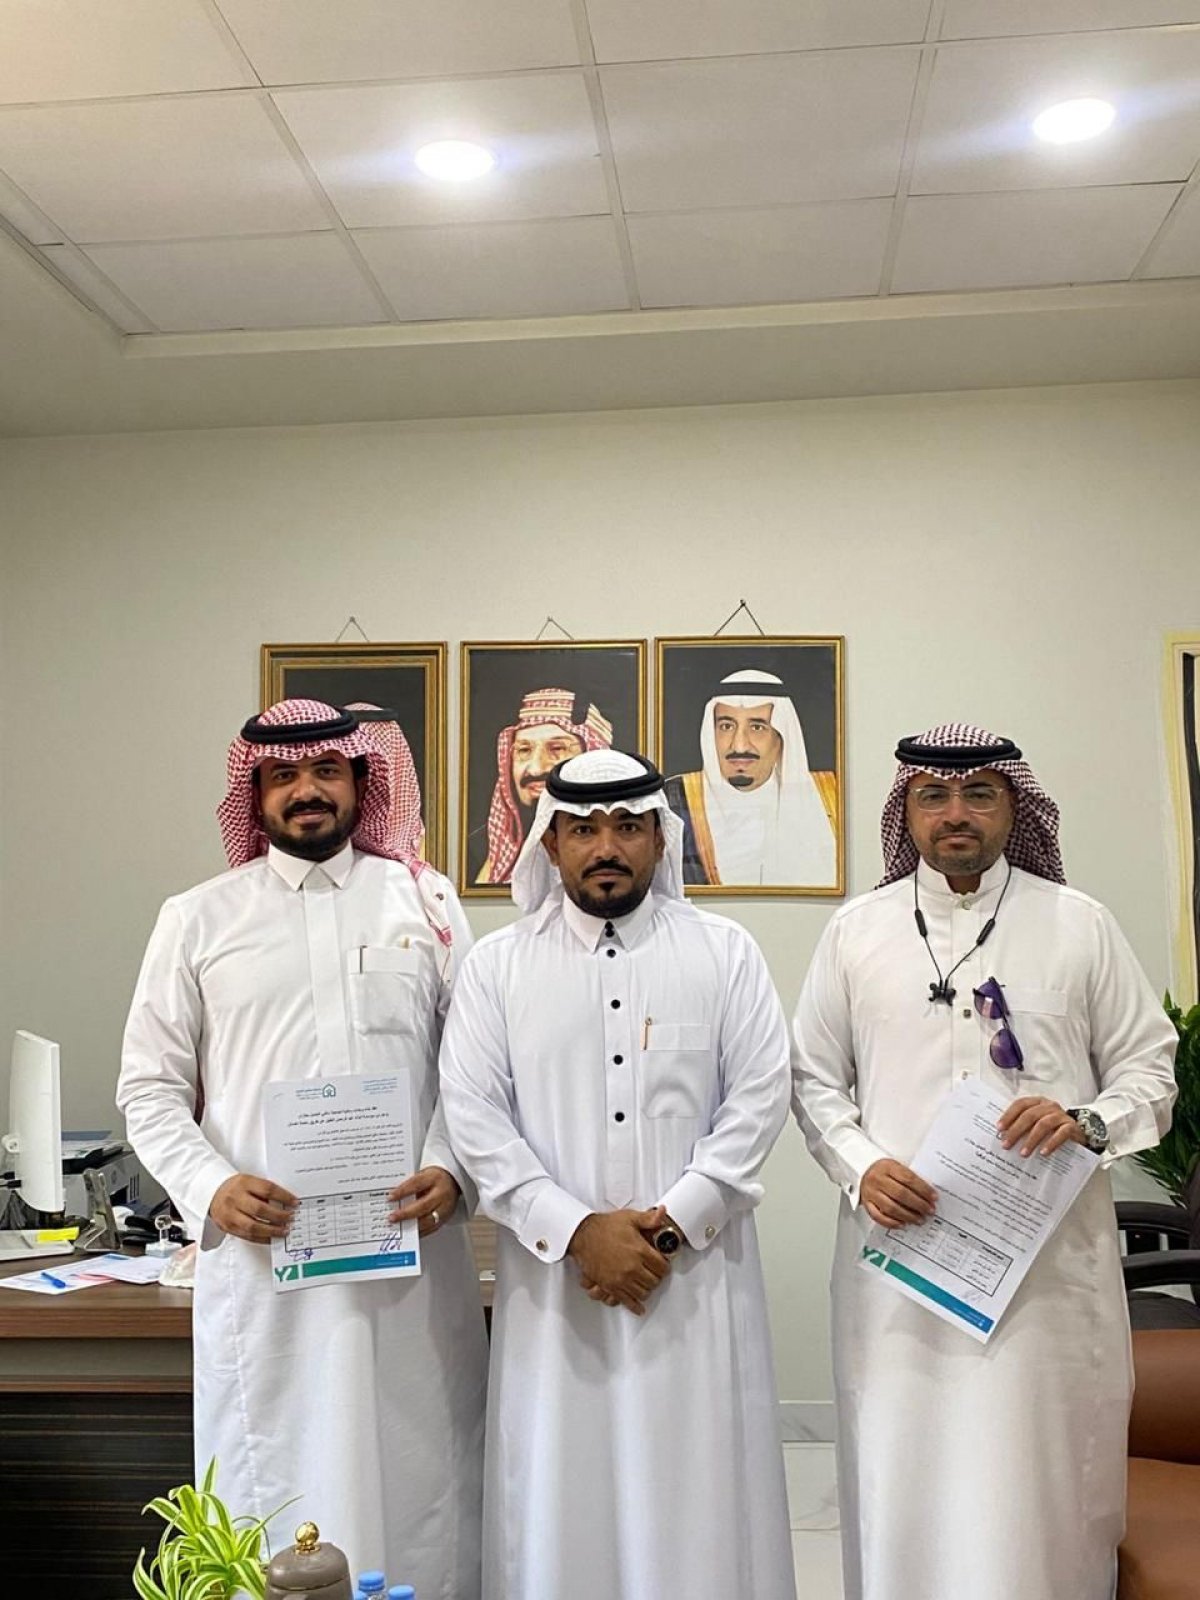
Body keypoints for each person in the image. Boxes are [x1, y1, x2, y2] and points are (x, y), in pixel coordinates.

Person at [790, 722, 1178, 1600]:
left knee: (1041, 1484)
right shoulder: (856, 932)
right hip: (902, 1266)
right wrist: (860, 1164)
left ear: (1014, 805)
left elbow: (1152, 1072)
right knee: (903, 1473)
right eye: (932, 795)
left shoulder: (1079, 925)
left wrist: (1087, 1119)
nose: (955, 813)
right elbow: (812, 1079)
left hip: (1046, 1276)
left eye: (979, 794)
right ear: (906, 812)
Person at [117, 699, 487, 1591]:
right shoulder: (197, 919)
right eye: (283, 776)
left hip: (408, 1265)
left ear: (361, 780)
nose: (306, 791)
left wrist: (450, 1167)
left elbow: (478, 1068)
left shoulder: (428, 904)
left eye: (325, 771)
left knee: (423, 1479)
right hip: (267, 1272)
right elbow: (148, 1088)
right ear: (255, 794)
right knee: (275, 1487)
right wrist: (211, 1186)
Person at [440, 748, 796, 1600]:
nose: (607, 847)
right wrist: (576, 1232)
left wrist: (666, 1228)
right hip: (555, 1293)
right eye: (584, 829)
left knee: (702, 1496)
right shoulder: (497, 967)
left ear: (660, 839)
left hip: (694, 1283)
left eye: (629, 826)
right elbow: (473, 1116)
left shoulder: (725, 952)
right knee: (560, 1500)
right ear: (550, 844)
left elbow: (760, 1097)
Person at [664, 667, 837, 887]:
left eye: (757, 727)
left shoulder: (832, 796)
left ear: (781, 737)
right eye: (726, 726)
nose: (739, 745)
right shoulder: (675, 799)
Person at [475, 686, 613, 885]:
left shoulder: (611, 856)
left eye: (557, 748)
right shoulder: (489, 861)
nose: (536, 769)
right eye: (524, 750)